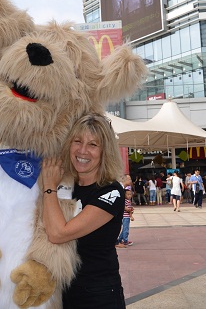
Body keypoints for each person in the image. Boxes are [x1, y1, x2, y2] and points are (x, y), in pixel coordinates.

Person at [42, 113, 126, 308]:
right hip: (63, 293)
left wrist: (48, 186)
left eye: (93, 145)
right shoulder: (66, 187)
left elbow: (58, 233)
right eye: (77, 141)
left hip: (99, 295)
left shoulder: (111, 191)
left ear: (105, 151)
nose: (82, 150)